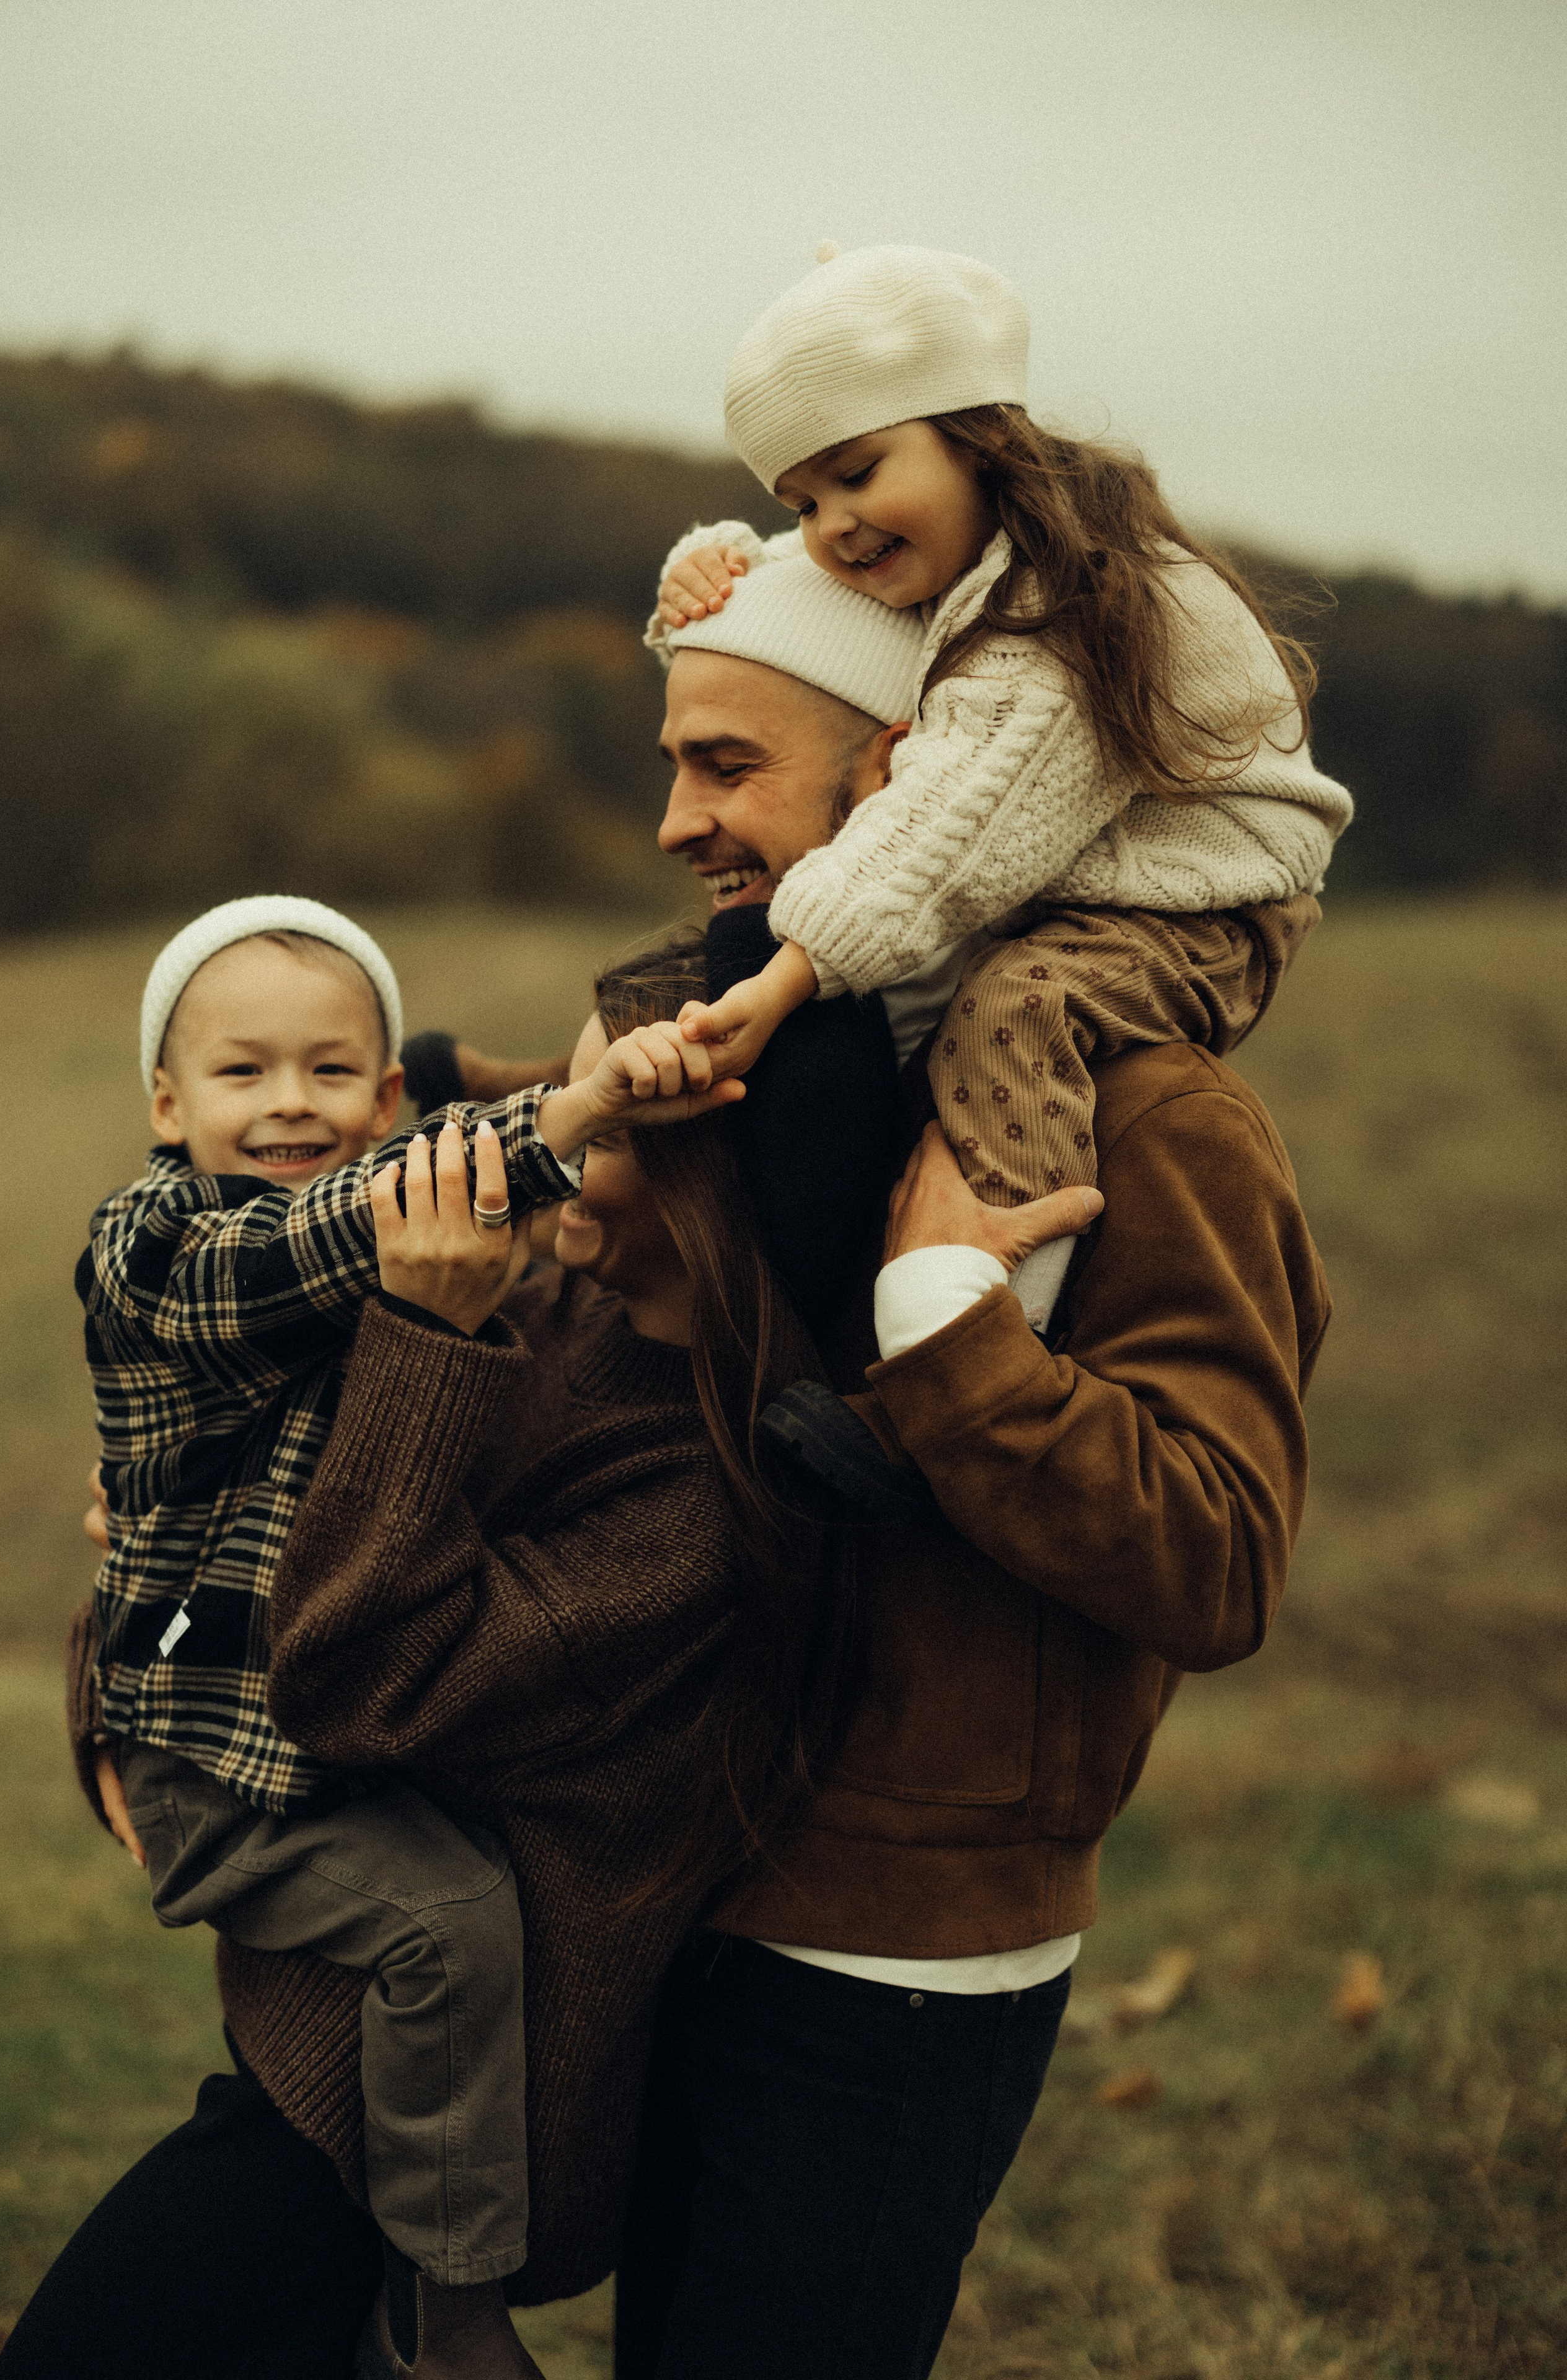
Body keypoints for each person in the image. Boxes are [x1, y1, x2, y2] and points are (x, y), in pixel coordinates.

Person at [406, 555, 1333, 2376]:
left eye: (726, 765)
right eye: (672, 766)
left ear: (906, 777)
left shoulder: (1156, 1117)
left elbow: (1218, 1560)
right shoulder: (777, 1064)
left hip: (902, 1949)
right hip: (680, 1876)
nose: (675, 821)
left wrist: (957, 1332)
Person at [66, 896, 742, 2379]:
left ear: (384, 1100)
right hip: (226, 1763)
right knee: (442, 1921)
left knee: (444, 1919)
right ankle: (449, 2311)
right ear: (165, 1106)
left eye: (328, 1073)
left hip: (312, 1778)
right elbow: (318, 1242)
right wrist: (573, 1115)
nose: (287, 1103)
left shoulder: (527, 1342)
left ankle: (426, 2309)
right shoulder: (158, 1244)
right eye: (241, 1072)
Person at [649, 241, 1351, 1338]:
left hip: (1204, 907)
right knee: (921, 1028)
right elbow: (799, 632)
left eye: (856, 473)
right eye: (800, 501)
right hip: (1094, 889)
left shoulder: (1061, 611)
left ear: (976, 434)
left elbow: (939, 830)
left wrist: (786, 980)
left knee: (1010, 1013)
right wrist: (710, 567)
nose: (831, 526)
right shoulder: (967, 557)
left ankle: (974, 1324)